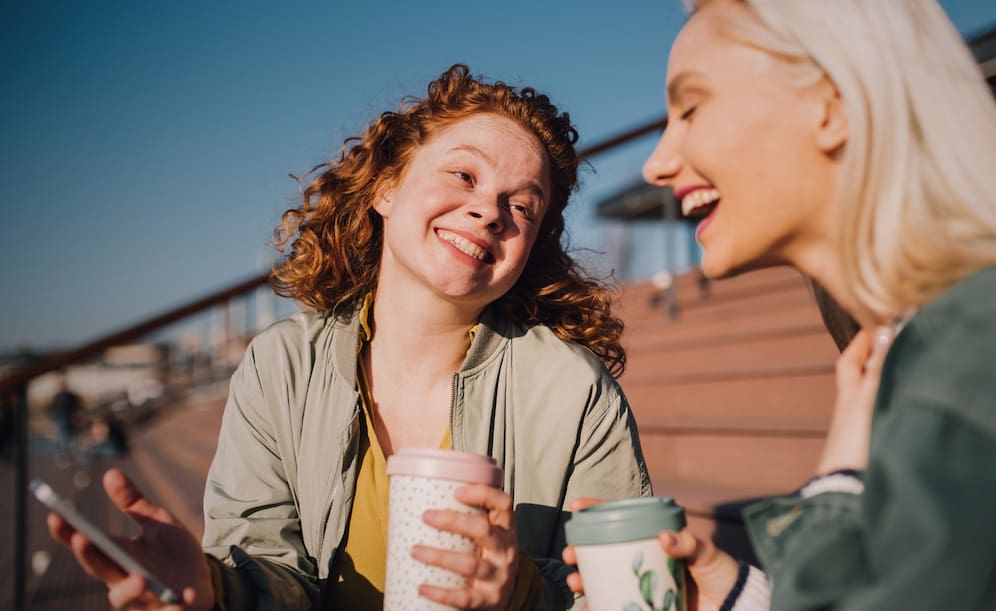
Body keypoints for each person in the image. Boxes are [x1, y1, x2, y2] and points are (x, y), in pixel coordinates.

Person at [566, 0, 996, 609]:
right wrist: (737, 592)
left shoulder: (988, 349)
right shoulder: (947, 335)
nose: (660, 163)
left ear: (833, 103)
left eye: (691, 108)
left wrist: (835, 493)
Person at [48, 65, 653, 610]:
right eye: (463, 174)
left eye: (522, 207)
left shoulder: (575, 392)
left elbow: (629, 596)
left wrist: (521, 593)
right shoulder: (281, 365)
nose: (490, 211)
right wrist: (218, 590)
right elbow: (265, 563)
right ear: (387, 187)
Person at [48, 372, 85, 458]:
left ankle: (70, 454)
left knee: (71, 438)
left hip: (71, 420)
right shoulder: (57, 396)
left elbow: (78, 407)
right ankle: (63, 454)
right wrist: (53, 418)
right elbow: (52, 408)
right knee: (62, 438)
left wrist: (78, 416)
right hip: (61, 420)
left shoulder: (71, 395)